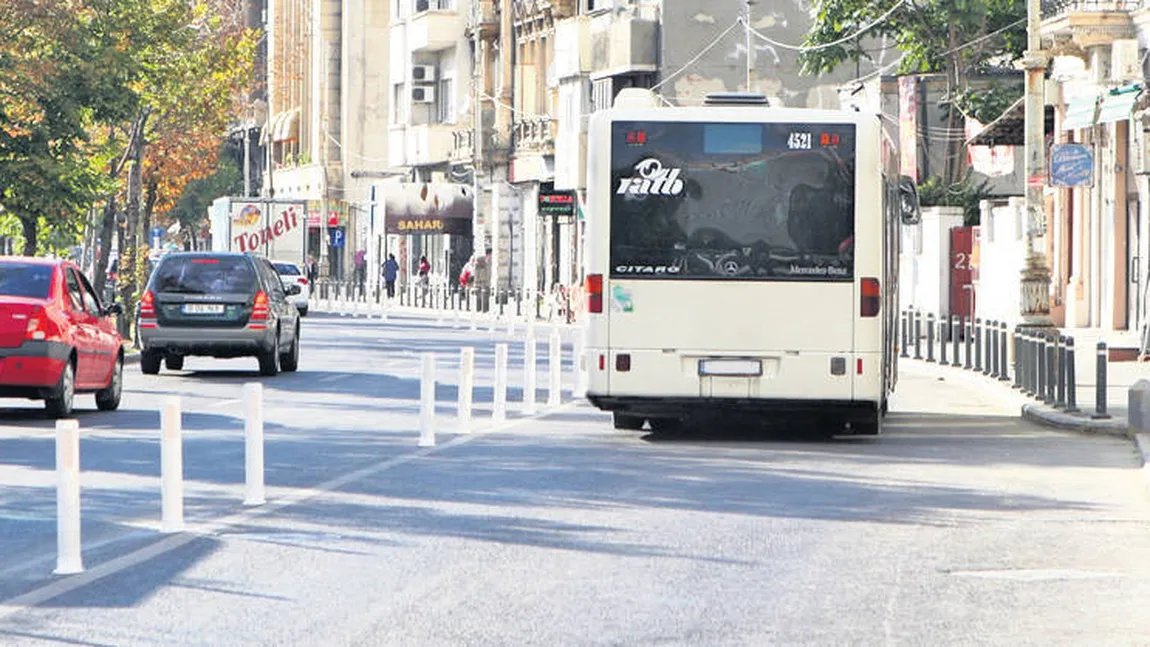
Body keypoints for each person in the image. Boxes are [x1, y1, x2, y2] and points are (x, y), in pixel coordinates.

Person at [472, 248, 492, 313]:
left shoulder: (482, 261)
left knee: (482, 296)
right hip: (484, 283)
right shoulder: (485, 261)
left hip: (481, 283)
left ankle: (482, 309)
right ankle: (483, 309)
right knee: (483, 296)